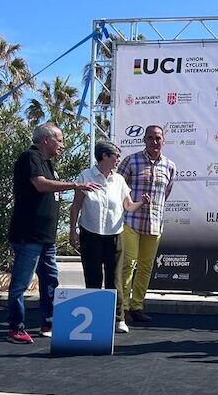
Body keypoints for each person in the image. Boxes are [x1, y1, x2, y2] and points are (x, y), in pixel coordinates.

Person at [6, 123, 100, 344]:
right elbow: (41, 185)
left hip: (46, 237)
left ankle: (48, 322)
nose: (62, 145)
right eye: (59, 140)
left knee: (50, 281)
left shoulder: (48, 163)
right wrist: (75, 185)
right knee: (21, 283)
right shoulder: (30, 157)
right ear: (45, 139)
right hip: (28, 235)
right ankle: (15, 328)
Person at [69, 141, 150, 334]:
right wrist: (72, 230)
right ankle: (94, 318)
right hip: (90, 233)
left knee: (115, 278)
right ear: (104, 156)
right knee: (93, 276)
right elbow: (76, 205)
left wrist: (141, 202)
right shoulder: (85, 176)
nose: (118, 160)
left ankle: (118, 319)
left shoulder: (119, 180)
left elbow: (128, 206)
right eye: (116, 156)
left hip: (115, 234)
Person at [118, 125, 176, 323]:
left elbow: (165, 193)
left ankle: (137, 306)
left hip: (154, 223)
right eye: (150, 138)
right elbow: (117, 187)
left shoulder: (170, 166)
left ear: (163, 141)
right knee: (128, 264)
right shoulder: (131, 161)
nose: (154, 141)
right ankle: (123, 308)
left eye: (158, 138)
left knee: (145, 266)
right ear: (144, 140)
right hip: (131, 220)